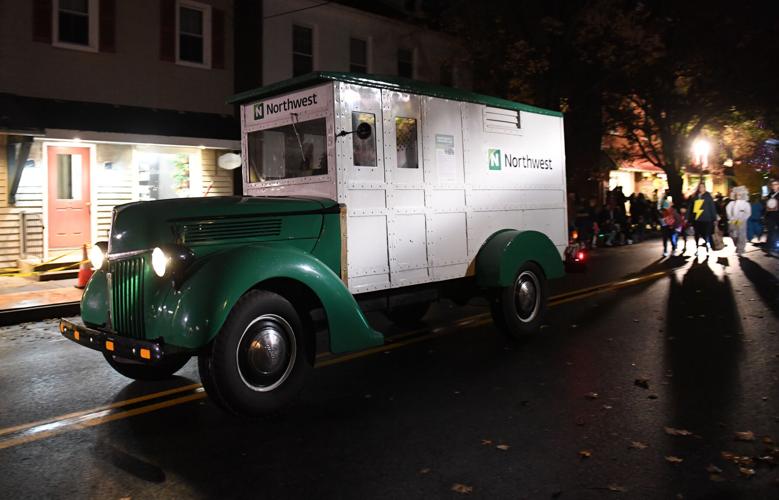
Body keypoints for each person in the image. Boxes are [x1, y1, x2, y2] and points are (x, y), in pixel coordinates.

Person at [687, 183, 718, 253]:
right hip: (697, 219)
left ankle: (707, 245)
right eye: (700, 187)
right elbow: (690, 208)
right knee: (697, 234)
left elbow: (712, 208)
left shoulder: (708, 196)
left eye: (702, 187)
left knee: (706, 234)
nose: (701, 188)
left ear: (705, 188)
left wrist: (714, 218)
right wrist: (688, 217)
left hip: (707, 219)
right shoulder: (695, 197)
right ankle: (697, 247)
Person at [726, 186, 751, 255]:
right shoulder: (731, 204)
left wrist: (743, 219)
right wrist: (731, 218)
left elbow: (748, 213)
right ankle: (737, 244)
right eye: (736, 194)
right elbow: (728, 211)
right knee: (732, 234)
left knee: (742, 235)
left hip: (742, 221)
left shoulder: (746, 204)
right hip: (733, 221)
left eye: (739, 194)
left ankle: (741, 249)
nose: (738, 196)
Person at [766, 179, 779, 257]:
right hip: (771, 215)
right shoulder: (770, 194)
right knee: (771, 231)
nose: (774, 186)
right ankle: (770, 247)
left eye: (776, 184)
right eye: (773, 184)